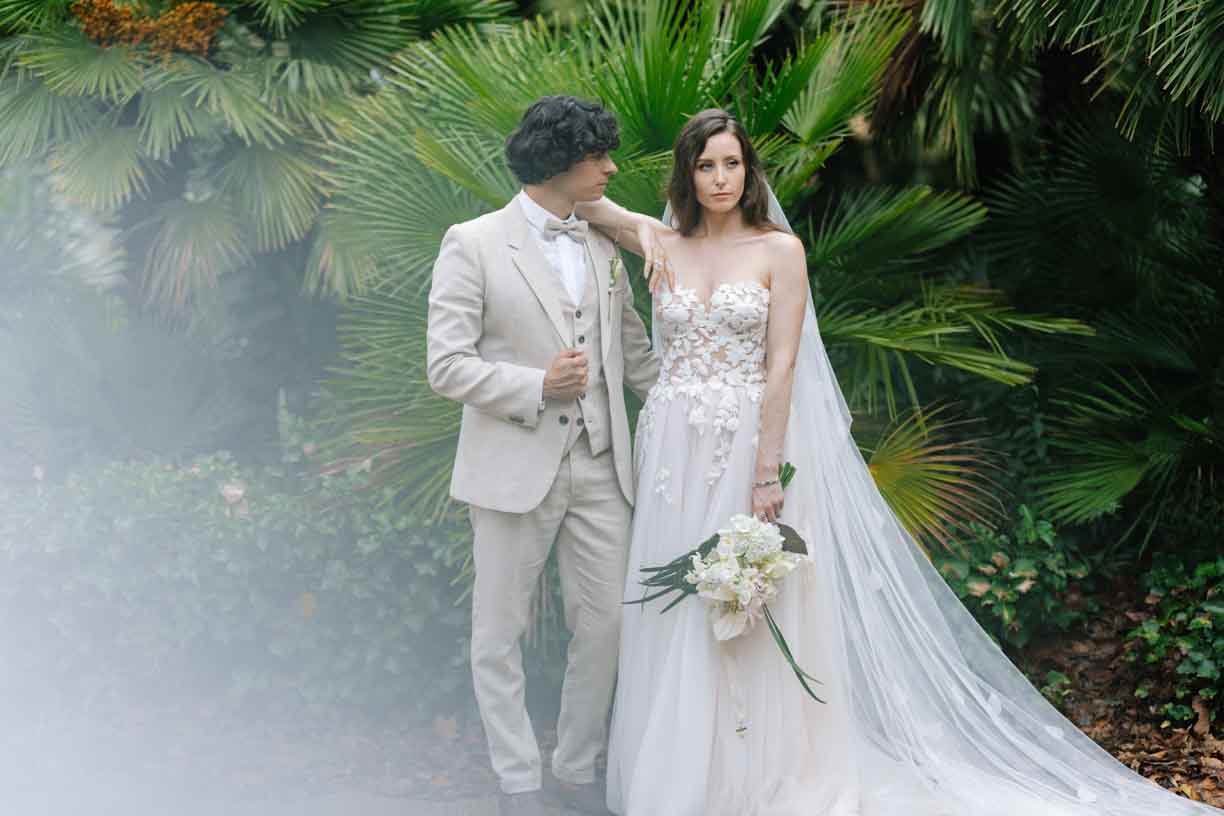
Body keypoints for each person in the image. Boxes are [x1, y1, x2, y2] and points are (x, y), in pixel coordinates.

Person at [577, 108, 1221, 816]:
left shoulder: (777, 251)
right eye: (705, 166)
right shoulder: (660, 241)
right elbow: (580, 197)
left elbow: (783, 364)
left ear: (750, 170)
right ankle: (682, 777)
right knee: (682, 602)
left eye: (732, 163)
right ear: (687, 174)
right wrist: (606, 187)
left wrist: (767, 473)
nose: (721, 178)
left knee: (755, 599)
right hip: (672, 447)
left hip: (748, 442)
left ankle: (759, 773)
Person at [426, 95, 670, 816]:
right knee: (499, 634)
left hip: (602, 466)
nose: (612, 168)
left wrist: (702, 415)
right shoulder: (471, 243)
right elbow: (445, 365)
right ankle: (517, 783)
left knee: (607, 625)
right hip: (512, 466)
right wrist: (536, 383)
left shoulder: (601, 245)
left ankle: (574, 767)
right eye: (599, 157)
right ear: (560, 163)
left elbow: (634, 354)